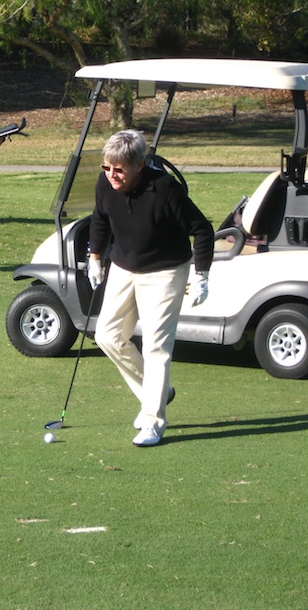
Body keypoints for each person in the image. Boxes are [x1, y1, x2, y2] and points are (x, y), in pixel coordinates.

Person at [87, 130, 214, 447]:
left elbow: (202, 230)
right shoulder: (105, 183)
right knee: (107, 335)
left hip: (166, 270)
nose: (111, 175)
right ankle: (159, 392)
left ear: (139, 165)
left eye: (119, 170)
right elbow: (101, 218)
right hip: (123, 265)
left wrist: (201, 275)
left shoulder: (165, 189)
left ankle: (153, 421)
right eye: (107, 168)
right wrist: (95, 258)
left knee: (156, 347)